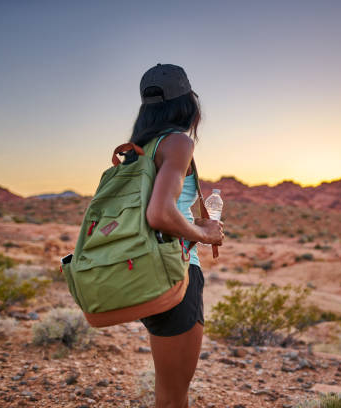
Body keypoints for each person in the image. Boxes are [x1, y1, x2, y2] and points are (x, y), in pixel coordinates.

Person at [130, 63, 224, 407]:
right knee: (173, 396)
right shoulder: (178, 144)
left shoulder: (138, 149)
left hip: (144, 271)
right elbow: (159, 213)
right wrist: (203, 234)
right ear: (188, 103)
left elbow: (158, 209)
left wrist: (199, 223)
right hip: (176, 273)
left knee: (168, 390)